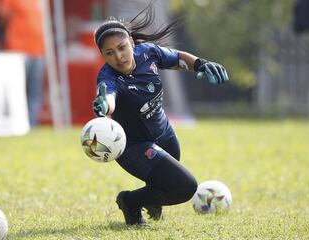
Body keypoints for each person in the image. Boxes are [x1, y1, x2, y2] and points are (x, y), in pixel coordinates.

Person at [92, 3, 229, 225]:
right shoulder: (108, 78)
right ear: (103, 55)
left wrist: (201, 65)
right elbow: (108, 98)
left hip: (164, 134)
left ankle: (151, 199)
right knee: (185, 187)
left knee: (165, 181)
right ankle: (130, 201)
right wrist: (103, 105)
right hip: (134, 146)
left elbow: (176, 58)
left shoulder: (148, 52)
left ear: (132, 43)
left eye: (122, 47)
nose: (118, 56)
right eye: (110, 52)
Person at [0, 0, 45, 127]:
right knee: (17, 91)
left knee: (35, 92)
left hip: (38, 50)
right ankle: (17, 123)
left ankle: (32, 124)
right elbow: (1, 15)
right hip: (18, 50)